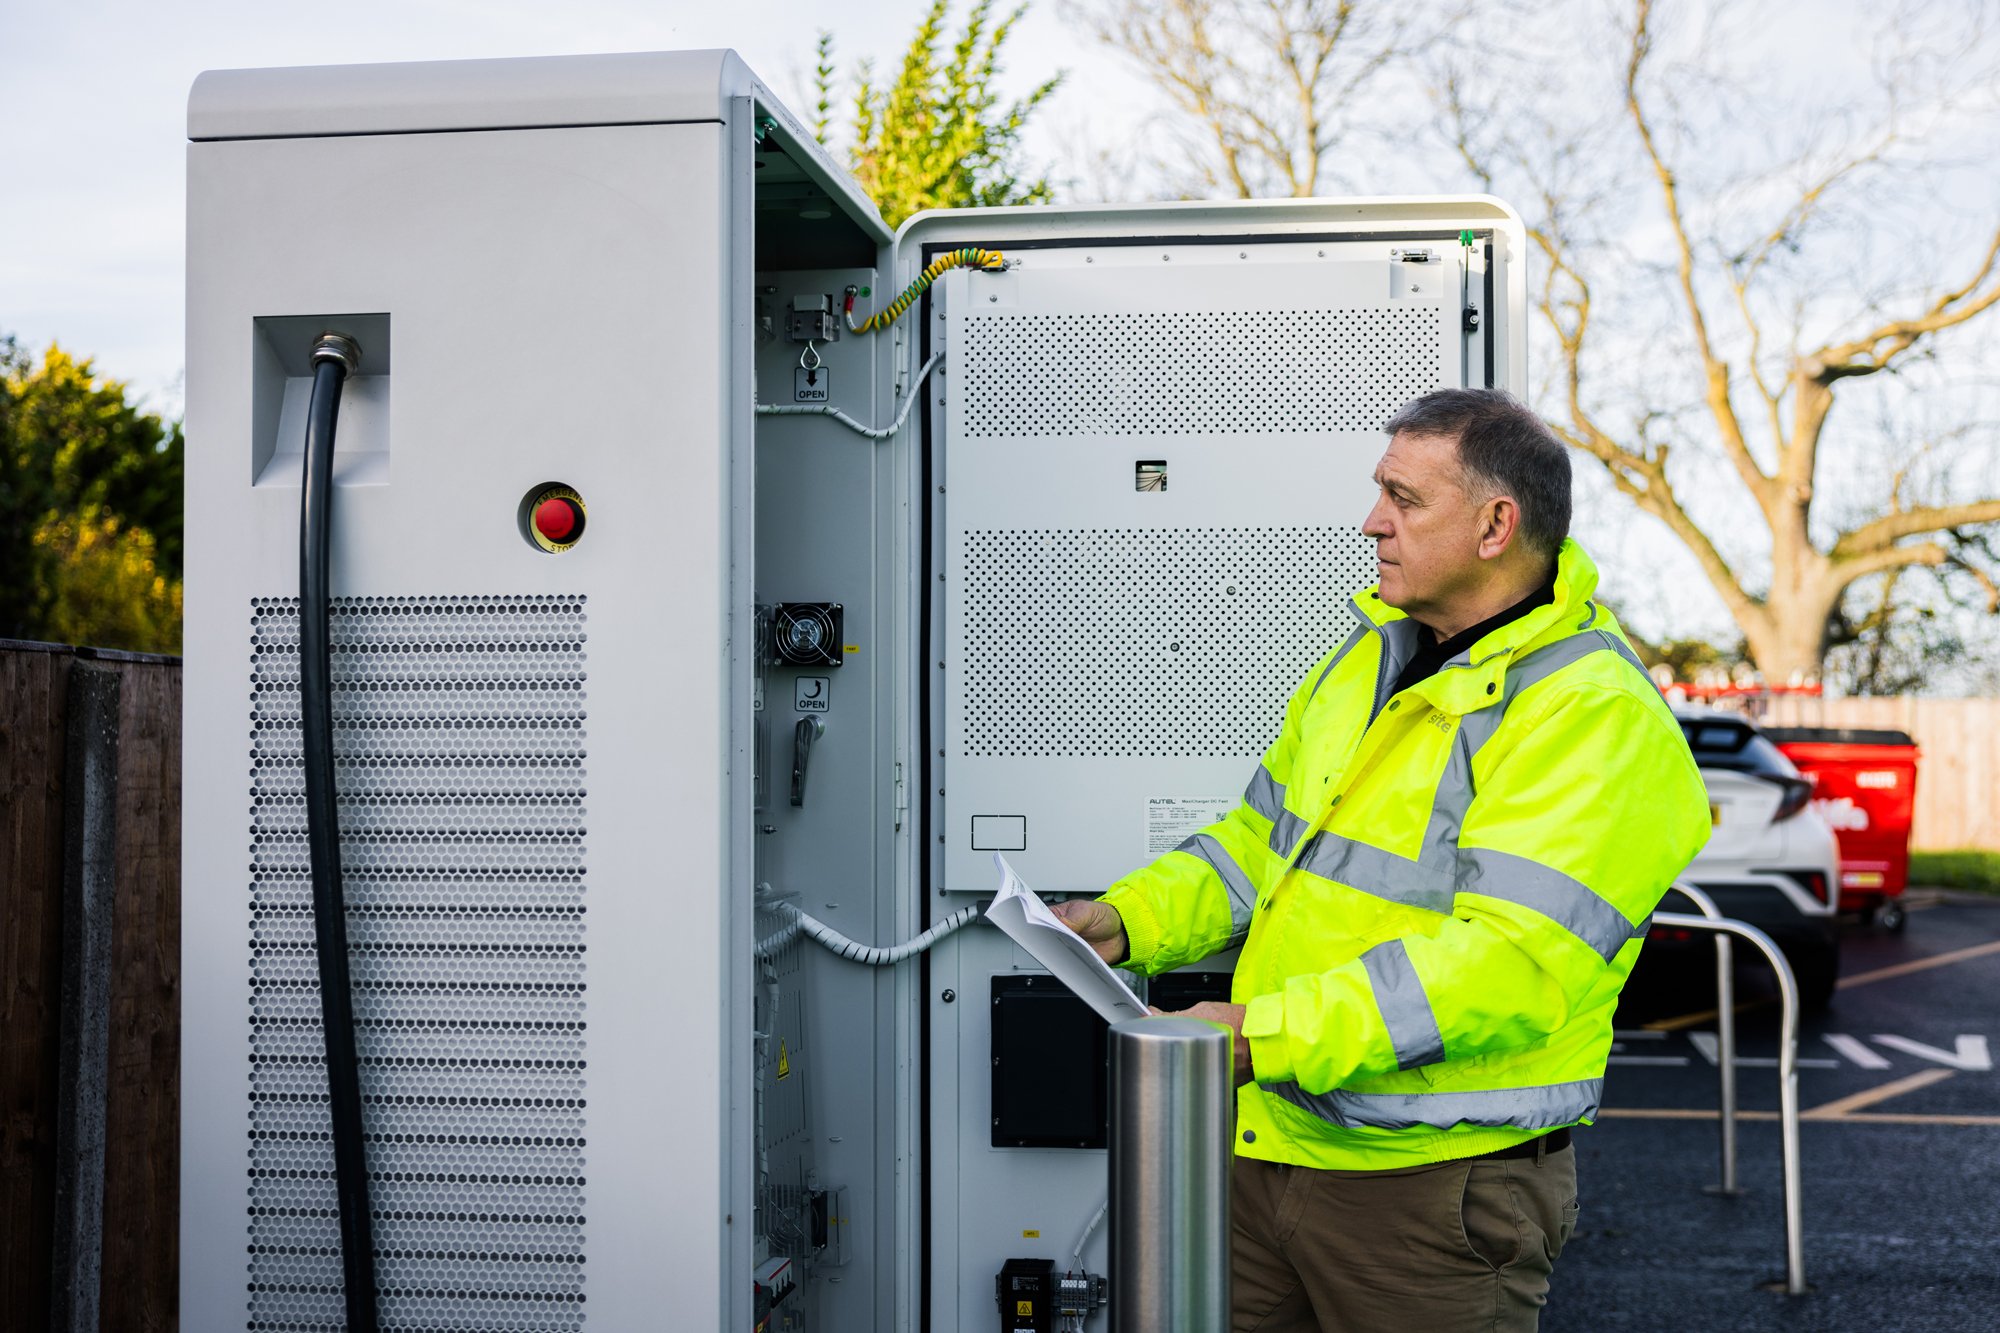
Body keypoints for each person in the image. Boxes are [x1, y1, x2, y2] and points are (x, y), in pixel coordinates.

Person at [1053, 388, 1710, 1332]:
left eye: (1403, 499)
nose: (1372, 523)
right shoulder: (1369, 658)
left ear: (1495, 525)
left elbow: (1506, 966)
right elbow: (1257, 847)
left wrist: (1263, 1036)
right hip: (1270, 1147)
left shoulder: (1591, 714)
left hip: (1432, 1193)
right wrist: (1126, 920)